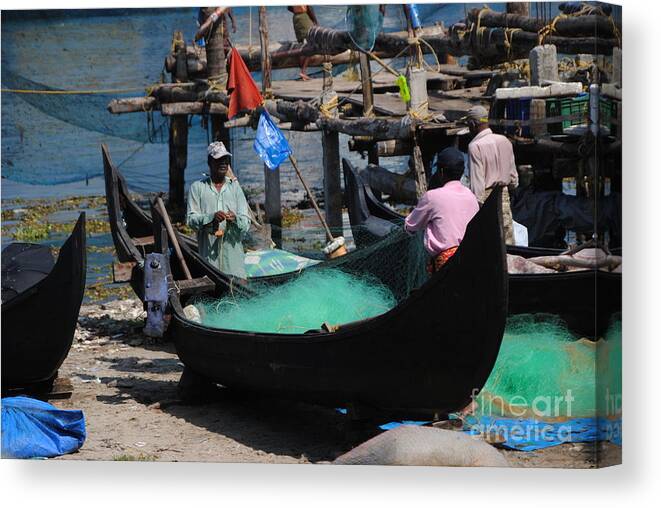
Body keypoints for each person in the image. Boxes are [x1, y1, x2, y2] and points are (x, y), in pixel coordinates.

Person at [404, 147, 479, 273]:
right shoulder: (471, 197)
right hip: (470, 258)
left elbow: (410, 226)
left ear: (441, 172)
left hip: (446, 264)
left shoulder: (432, 196)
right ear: (461, 171)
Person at [186, 142, 251, 281]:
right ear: (209, 162)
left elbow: (246, 223)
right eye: (218, 160)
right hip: (209, 265)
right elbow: (191, 220)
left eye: (226, 160)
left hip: (235, 266)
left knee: (238, 297)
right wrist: (211, 218)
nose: (223, 163)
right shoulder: (197, 188)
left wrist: (234, 219)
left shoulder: (235, 188)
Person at [463, 105, 519, 244]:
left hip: (486, 199)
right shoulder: (504, 141)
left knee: (489, 241)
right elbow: (514, 180)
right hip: (504, 195)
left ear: (473, 124)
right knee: (507, 240)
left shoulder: (475, 146)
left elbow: (477, 187)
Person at [287, 5, 318, 80]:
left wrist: (296, 10)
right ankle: (303, 72)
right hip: (304, 18)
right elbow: (309, 8)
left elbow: (288, 7)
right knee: (310, 47)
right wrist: (315, 21)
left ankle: (303, 72)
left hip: (296, 17)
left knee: (303, 44)